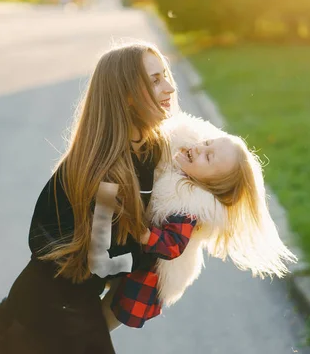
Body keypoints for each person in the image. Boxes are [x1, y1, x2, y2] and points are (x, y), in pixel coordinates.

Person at [0, 41, 178, 353]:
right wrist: (153, 251)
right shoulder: (105, 175)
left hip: (70, 295)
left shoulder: (150, 150)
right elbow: (103, 264)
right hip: (58, 301)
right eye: (154, 80)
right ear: (126, 96)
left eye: (165, 75)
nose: (169, 88)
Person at [101, 112, 297, 330]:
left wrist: (144, 234)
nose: (199, 149)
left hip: (144, 271)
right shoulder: (178, 168)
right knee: (94, 299)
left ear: (212, 184)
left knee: (106, 317)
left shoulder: (190, 206)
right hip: (127, 255)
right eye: (206, 143)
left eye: (208, 157)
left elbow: (173, 245)